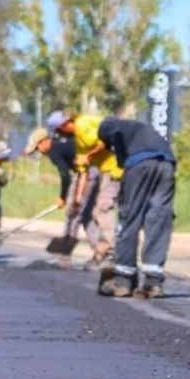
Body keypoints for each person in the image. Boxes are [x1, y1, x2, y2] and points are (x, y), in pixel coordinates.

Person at [90, 117, 176, 298]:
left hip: (141, 166)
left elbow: (113, 133)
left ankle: (123, 281)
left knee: (129, 219)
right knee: (158, 220)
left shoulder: (110, 126)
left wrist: (119, 154)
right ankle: (153, 283)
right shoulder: (139, 127)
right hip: (166, 165)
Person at [45, 111, 123, 266]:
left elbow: (103, 142)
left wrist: (90, 155)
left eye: (59, 131)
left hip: (116, 168)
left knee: (104, 208)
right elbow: (82, 173)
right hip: (105, 170)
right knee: (93, 212)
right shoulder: (79, 143)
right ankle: (101, 253)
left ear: (64, 125)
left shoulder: (82, 125)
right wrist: (78, 198)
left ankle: (110, 254)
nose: (60, 135)